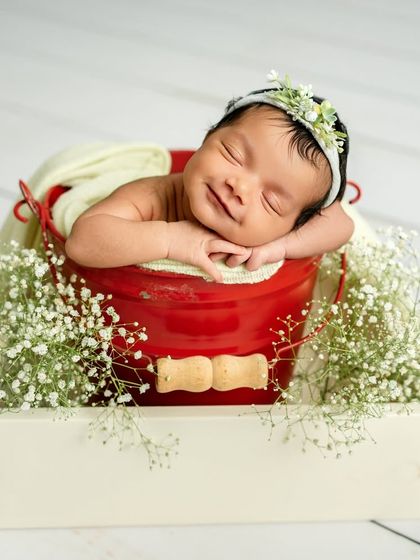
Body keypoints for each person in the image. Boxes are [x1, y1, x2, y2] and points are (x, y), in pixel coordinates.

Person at [64, 71, 354, 282]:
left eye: (271, 201)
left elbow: (341, 224)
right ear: (206, 138)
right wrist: (171, 239)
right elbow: (83, 241)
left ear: (293, 222)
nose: (239, 187)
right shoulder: (153, 196)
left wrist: (279, 246)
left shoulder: (275, 235)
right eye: (233, 154)